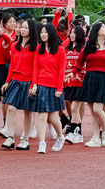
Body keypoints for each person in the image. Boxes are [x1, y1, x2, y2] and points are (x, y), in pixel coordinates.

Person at [75, 22, 105, 148]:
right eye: (104, 28)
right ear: (96, 31)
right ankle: (96, 138)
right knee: (93, 111)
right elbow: (79, 62)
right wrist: (71, 73)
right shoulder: (88, 47)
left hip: (104, 79)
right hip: (90, 78)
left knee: (97, 109)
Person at [0, 19, 37, 151]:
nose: (23, 30)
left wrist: (34, 84)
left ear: (31, 30)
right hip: (15, 80)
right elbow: (12, 66)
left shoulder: (36, 48)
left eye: (26, 28)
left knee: (28, 111)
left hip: (29, 81)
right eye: (21, 27)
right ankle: (10, 137)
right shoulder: (14, 45)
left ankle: (25, 139)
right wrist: (7, 81)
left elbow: (36, 67)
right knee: (11, 108)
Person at [29, 23, 66, 154]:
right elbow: (35, 67)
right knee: (42, 115)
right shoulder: (39, 48)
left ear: (51, 33)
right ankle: (42, 143)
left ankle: (60, 137)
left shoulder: (60, 50)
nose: (43, 34)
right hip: (41, 85)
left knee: (53, 118)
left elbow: (61, 70)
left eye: (45, 32)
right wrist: (34, 84)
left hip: (54, 86)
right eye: (41, 32)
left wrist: (59, 88)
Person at [63, 25, 86, 144]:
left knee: (75, 107)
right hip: (68, 80)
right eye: (71, 33)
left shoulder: (83, 48)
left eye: (75, 33)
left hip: (80, 80)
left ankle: (74, 130)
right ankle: (77, 131)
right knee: (71, 105)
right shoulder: (67, 48)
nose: (72, 35)